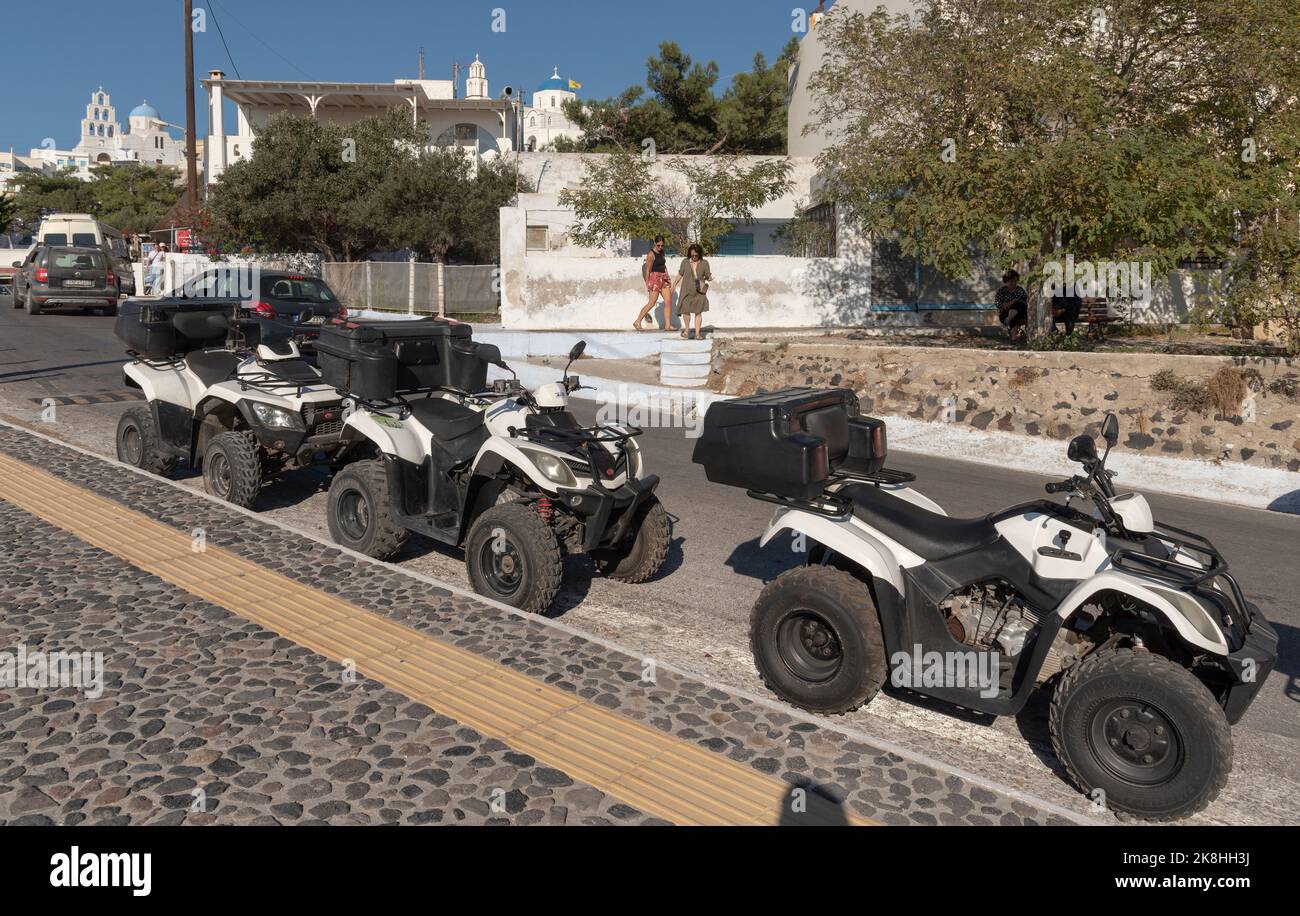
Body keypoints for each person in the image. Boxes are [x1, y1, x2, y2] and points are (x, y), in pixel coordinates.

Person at [672, 243, 712, 340]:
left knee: (698, 312)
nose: (694, 257)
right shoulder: (685, 262)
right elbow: (680, 274)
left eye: (696, 255)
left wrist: (709, 277)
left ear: (699, 254)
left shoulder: (704, 263)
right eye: (692, 255)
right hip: (686, 290)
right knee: (685, 310)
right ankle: (686, 330)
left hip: (699, 292)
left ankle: (697, 334)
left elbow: (707, 275)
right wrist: (674, 284)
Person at [634, 236, 674, 331]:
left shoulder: (662, 252)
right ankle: (637, 321)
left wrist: (668, 278)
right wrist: (647, 283)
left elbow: (664, 266)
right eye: (658, 245)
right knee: (652, 302)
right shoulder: (651, 254)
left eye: (662, 245)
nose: (660, 247)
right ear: (655, 244)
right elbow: (647, 270)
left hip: (663, 277)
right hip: (654, 278)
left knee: (668, 301)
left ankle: (668, 325)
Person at [995, 269, 1029, 342]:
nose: (1014, 283)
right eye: (1011, 281)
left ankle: (1013, 338)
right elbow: (1001, 305)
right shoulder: (1001, 291)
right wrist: (1014, 301)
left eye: (1015, 281)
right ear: (1006, 281)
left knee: (1018, 306)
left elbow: (1026, 302)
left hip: (1020, 313)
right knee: (1017, 306)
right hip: (1004, 314)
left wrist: (1017, 302)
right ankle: (1013, 335)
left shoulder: (1020, 290)